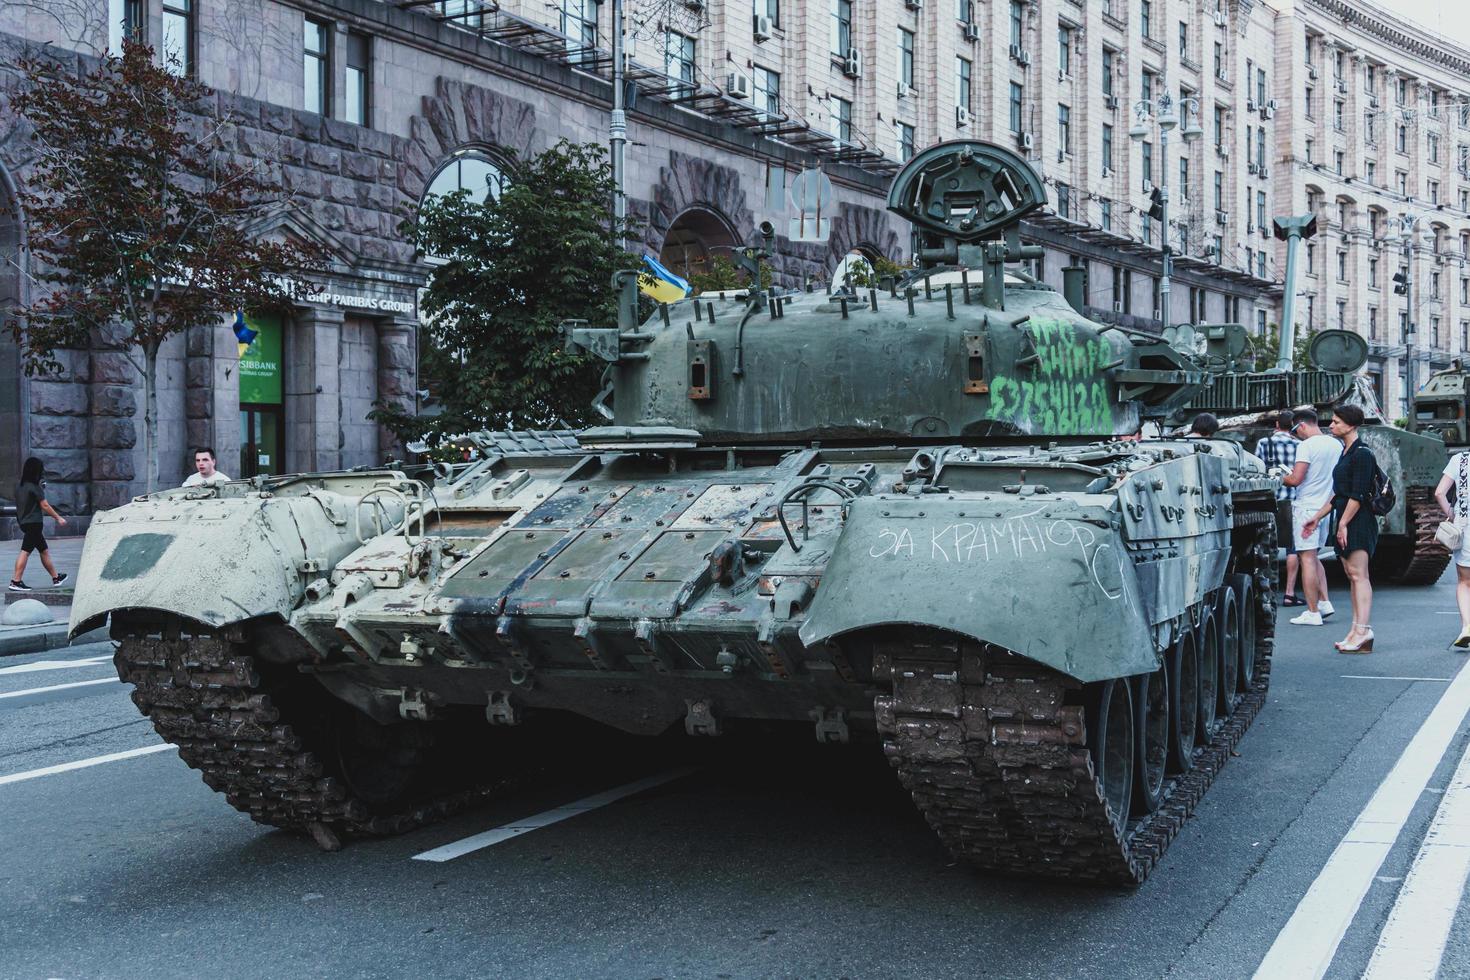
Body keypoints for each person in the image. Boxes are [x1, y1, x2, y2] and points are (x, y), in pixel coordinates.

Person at [1301, 405, 1377, 652]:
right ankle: (1356, 630)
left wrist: (1343, 523)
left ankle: (1363, 630)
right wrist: (1318, 517)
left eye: (1336, 422)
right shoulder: (1346, 452)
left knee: (1359, 575)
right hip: (1344, 517)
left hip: (1358, 520)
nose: (1331, 426)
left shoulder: (1362, 453)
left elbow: (1358, 493)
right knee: (1351, 575)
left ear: (1351, 425)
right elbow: (1339, 493)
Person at [1280, 408, 1340, 626]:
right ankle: (1324, 602)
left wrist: (1279, 476)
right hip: (1325, 507)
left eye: (1296, 431)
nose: (1296, 435)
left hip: (1306, 507)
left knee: (1306, 558)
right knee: (1314, 557)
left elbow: (1296, 479)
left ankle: (1312, 611)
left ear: (1301, 425)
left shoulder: (1306, 446)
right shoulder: (1335, 444)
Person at [1255, 410, 1303, 607]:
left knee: (1267, 546)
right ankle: (1290, 593)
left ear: (1276, 424)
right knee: (1293, 548)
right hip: (1294, 499)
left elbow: (1257, 469)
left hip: (1271, 500)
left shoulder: (1264, 443)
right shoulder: (1300, 445)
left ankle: (1268, 591)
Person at [8, 457, 68, 592]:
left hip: (24, 522)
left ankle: (55, 578)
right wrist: (58, 518)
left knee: (44, 551)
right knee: (25, 552)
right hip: (34, 523)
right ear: (36, 471)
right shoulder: (35, 487)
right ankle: (15, 581)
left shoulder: (19, 486)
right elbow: (45, 505)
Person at [1436, 440, 1470, 648]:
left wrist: (1452, 514)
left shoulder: (1460, 460)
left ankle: (1467, 626)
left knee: (1465, 582)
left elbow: (1440, 492)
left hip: (1465, 526)